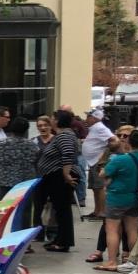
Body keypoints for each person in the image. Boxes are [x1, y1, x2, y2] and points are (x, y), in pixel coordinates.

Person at [99, 128, 138, 272]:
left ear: (128, 141)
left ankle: (111, 261)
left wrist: (110, 178)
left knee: (112, 230)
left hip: (117, 197)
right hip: (135, 197)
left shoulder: (120, 159)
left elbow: (103, 173)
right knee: (132, 230)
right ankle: (133, 260)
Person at [36, 108, 80, 253]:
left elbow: (67, 154)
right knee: (60, 210)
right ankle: (60, 239)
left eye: (53, 118)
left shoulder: (64, 136)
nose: (51, 120)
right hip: (55, 177)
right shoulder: (63, 135)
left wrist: (66, 174)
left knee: (62, 210)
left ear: (57, 120)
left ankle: (63, 242)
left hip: (59, 177)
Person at [0, 117, 37, 198]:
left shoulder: (0, 143)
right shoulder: (32, 145)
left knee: (6, 209)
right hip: (25, 184)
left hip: (5, 183)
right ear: (26, 130)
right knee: (24, 209)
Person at [82, 108, 114, 219]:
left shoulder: (100, 127)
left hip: (97, 161)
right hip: (92, 162)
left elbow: (113, 140)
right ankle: (96, 211)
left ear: (94, 118)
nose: (86, 119)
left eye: (88, 117)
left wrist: (104, 154)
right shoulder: (94, 128)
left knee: (99, 187)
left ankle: (102, 212)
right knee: (95, 187)